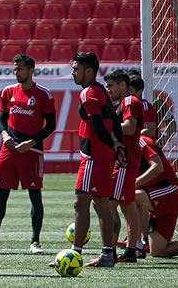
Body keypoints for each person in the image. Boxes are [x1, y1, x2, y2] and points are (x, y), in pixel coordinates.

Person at [0, 55, 55, 255]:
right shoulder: (8, 91)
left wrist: (33, 142)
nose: (16, 72)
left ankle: (35, 242)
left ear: (30, 70)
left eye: (20, 68)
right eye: (15, 68)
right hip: (9, 150)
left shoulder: (44, 94)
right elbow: (2, 120)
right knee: (1, 193)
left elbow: (51, 125)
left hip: (32, 150)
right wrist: (4, 136)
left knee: (34, 195)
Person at [66, 52, 126, 268]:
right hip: (103, 155)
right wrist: (117, 145)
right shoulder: (101, 91)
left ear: (88, 70)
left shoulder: (89, 93)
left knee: (80, 202)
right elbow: (114, 122)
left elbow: (99, 124)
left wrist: (113, 145)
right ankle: (108, 254)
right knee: (101, 205)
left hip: (94, 156)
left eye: (76, 68)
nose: (73, 72)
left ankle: (75, 255)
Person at [134, 135, 178, 257]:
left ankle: (133, 246)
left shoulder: (141, 141)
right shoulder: (119, 146)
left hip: (170, 192)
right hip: (155, 199)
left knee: (129, 197)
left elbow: (158, 167)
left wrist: (134, 183)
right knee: (158, 251)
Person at [104, 69, 144, 262]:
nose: (107, 89)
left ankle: (109, 250)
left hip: (124, 162)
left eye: (110, 85)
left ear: (122, 85)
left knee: (109, 205)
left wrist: (104, 126)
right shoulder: (125, 103)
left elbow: (128, 127)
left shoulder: (128, 101)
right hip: (128, 160)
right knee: (128, 206)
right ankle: (131, 250)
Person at [128, 71, 158, 140]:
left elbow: (150, 131)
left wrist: (130, 135)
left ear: (139, 92)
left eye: (130, 91)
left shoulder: (145, 107)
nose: (127, 94)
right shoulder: (124, 105)